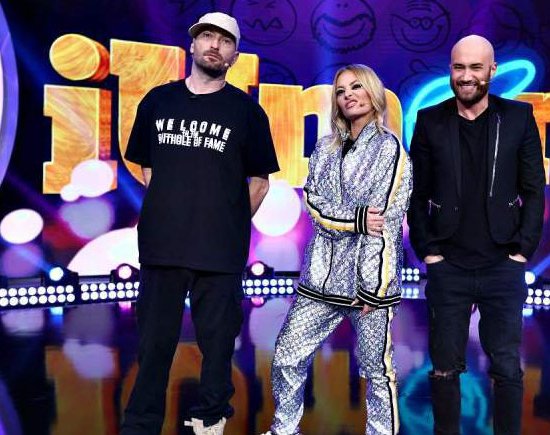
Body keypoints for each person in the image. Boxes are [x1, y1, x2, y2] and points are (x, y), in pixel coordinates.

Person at [120, 12, 279, 435]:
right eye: (207, 37)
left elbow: (260, 182)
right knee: (153, 346)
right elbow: (148, 168)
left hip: (219, 251)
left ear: (234, 56)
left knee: (218, 346)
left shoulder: (247, 112)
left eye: (225, 41)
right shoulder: (158, 100)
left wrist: (225, 221)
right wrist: (175, 207)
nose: (214, 45)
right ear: (192, 45)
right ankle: (141, 425)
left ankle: (211, 419)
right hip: (163, 245)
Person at [263, 64, 412, 435]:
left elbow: (384, 223)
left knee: (377, 371)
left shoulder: (389, 149)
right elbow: (313, 204)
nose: (348, 95)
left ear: (373, 92)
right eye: (341, 91)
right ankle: (284, 430)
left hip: (369, 286)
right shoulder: (324, 148)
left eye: (356, 87)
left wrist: (374, 288)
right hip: (319, 279)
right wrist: (357, 218)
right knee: (286, 356)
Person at [407, 35, 545, 435]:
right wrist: (428, 251)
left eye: (475, 67)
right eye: (459, 67)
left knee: (507, 366)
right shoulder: (430, 120)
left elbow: (534, 189)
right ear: (450, 69)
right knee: (444, 368)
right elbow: (415, 192)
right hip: (448, 263)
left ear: (492, 70)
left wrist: (522, 251)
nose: (466, 76)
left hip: (503, 262)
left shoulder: (518, 117)